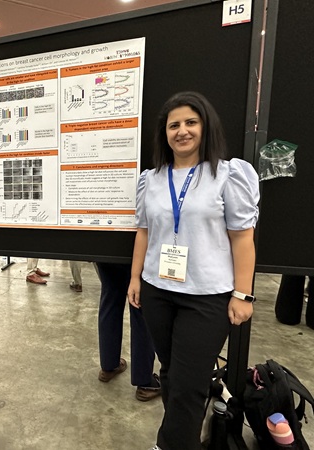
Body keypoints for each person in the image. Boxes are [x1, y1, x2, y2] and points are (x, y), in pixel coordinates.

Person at [127, 92, 260, 450]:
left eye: (191, 122)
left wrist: (243, 294)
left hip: (207, 296)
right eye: (174, 125)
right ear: (164, 133)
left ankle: (170, 444)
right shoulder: (151, 179)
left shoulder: (227, 174)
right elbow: (143, 231)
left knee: (187, 383)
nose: (182, 131)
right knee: (172, 373)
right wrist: (135, 278)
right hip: (158, 290)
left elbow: (243, 238)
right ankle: (185, 436)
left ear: (205, 126)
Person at [96, 262, 161, 401]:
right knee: (140, 306)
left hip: (105, 245)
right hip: (138, 249)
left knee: (110, 297)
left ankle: (109, 366)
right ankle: (144, 382)